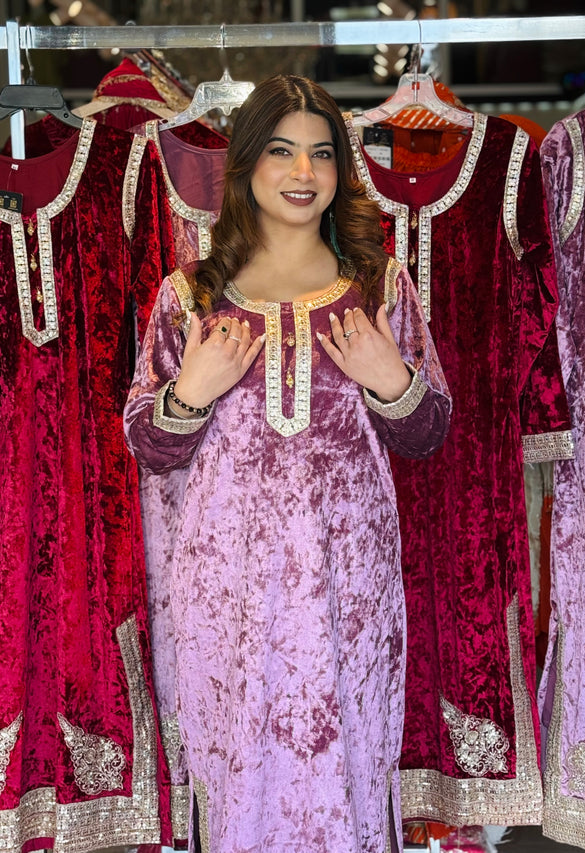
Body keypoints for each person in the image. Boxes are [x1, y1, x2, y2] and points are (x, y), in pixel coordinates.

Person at [124, 74, 451, 853]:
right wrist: (191, 392)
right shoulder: (191, 297)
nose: (304, 173)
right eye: (281, 152)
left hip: (350, 596)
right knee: (240, 782)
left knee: (349, 777)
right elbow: (147, 444)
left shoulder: (378, 288)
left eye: (322, 154)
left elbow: (428, 432)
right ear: (244, 164)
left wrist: (391, 380)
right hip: (229, 598)